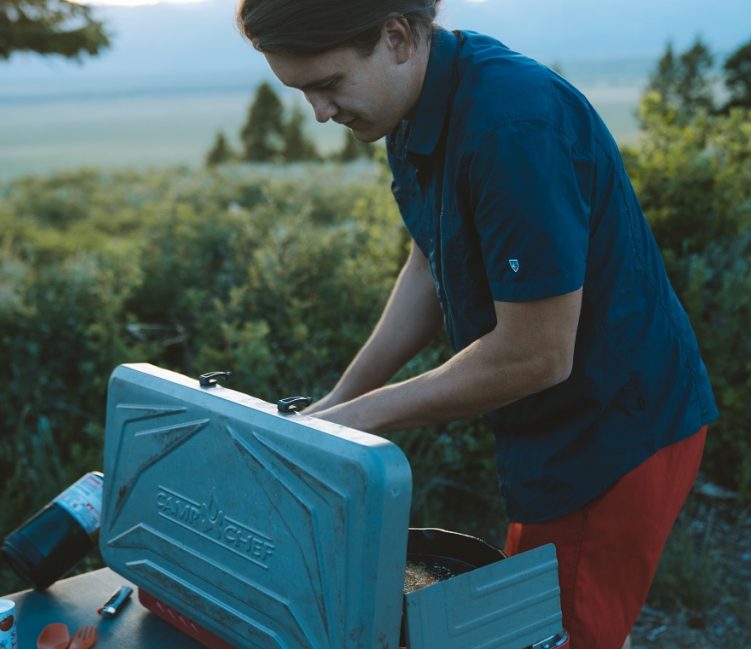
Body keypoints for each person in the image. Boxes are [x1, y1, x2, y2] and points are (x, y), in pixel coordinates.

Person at [235, 2, 718, 647]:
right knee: (549, 617)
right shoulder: (415, 101)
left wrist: (357, 422)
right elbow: (432, 260)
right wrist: (338, 402)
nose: (320, 112)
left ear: (398, 36)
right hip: (550, 425)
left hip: (612, 432)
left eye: (328, 84)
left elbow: (537, 354)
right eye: (301, 93)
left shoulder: (511, 127)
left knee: (559, 634)